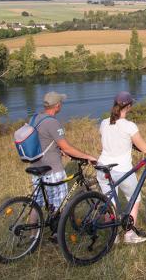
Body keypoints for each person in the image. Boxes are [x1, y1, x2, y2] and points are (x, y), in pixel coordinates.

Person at [96, 91, 146, 244]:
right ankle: (129, 235)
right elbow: (145, 148)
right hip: (120, 168)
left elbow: (113, 140)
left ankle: (112, 236)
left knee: (110, 202)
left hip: (102, 167)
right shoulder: (129, 126)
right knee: (134, 199)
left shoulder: (104, 123)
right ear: (129, 106)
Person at [29, 92, 97, 233]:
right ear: (58, 106)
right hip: (52, 169)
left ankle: (32, 236)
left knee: (37, 203)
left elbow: (43, 141)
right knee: (60, 203)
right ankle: (57, 234)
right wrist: (88, 156)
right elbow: (66, 147)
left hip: (36, 167)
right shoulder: (52, 122)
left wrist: (57, 150)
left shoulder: (35, 119)